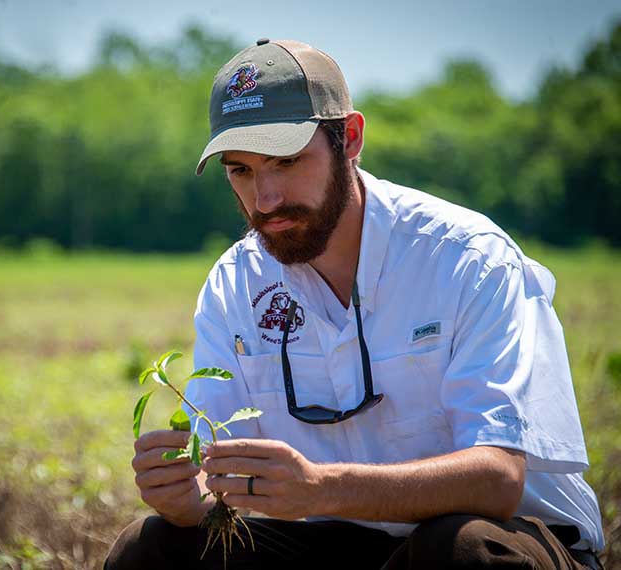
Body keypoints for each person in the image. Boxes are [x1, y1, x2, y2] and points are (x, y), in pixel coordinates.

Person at [104, 38, 605, 569]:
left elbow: (498, 480)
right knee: (151, 548)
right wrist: (186, 499)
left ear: (350, 138)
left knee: (461, 552)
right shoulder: (236, 283)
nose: (265, 198)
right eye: (241, 171)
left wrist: (320, 488)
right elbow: (218, 479)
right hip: (338, 542)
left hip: (506, 538)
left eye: (287, 160)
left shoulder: (468, 258)